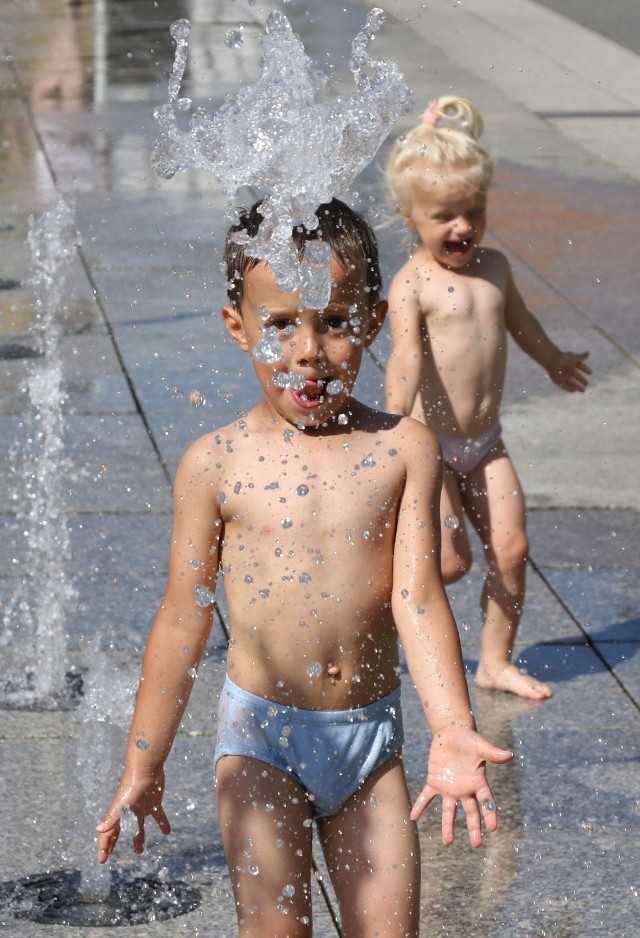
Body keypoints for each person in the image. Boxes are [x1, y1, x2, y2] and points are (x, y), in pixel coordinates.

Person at [96, 199, 513, 938]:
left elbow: (417, 598)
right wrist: (145, 760)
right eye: (281, 324)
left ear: (374, 322)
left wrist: (451, 727)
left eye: (336, 322)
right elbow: (183, 618)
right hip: (261, 740)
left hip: (369, 741)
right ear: (239, 327)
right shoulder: (216, 463)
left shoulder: (402, 448)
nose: (309, 349)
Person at [384, 96, 591, 701]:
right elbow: (405, 359)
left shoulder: (495, 267)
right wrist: (392, 428)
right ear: (410, 217)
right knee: (450, 564)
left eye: (473, 211)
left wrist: (552, 359)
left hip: (485, 441)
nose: (462, 227)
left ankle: (494, 660)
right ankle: (380, 616)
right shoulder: (411, 285)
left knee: (511, 547)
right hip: (431, 447)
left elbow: (519, 322)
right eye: (444, 215)